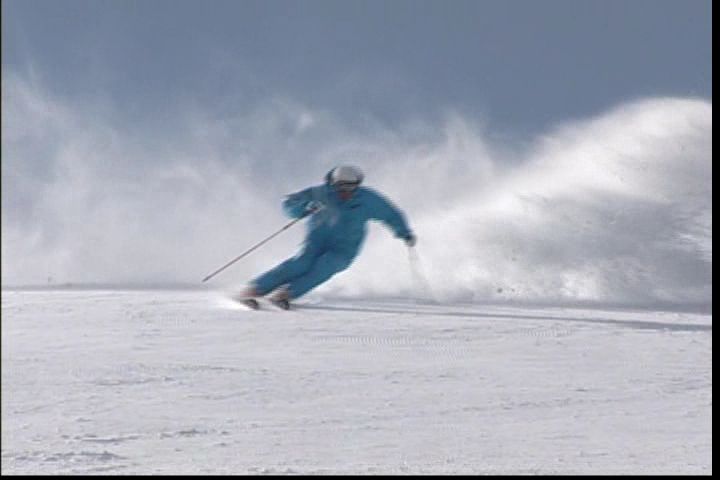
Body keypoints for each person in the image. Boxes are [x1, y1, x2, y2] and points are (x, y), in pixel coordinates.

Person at [235, 164, 416, 309]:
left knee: (327, 267)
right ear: (333, 184)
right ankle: (253, 289)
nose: (345, 192)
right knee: (301, 263)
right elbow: (288, 203)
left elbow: (390, 214)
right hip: (318, 238)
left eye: (350, 188)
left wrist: (404, 233)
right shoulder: (320, 194)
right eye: (340, 188)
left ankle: (286, 294)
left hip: (346, 246)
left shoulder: (367, 199)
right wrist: (305, 207)